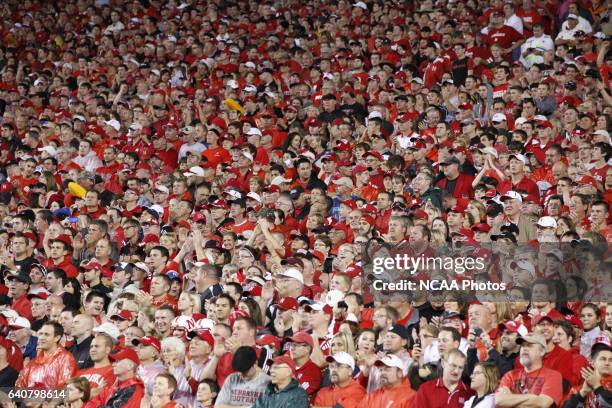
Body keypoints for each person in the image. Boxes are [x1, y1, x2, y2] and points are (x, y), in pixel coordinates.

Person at [495, 333, 563, 407]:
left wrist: (510, 398)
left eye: (529, 345)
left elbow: (542, 403)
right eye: (523, 346)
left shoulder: (553, 376)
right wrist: (532, 398)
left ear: (542, 351)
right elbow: (499, 400)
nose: (524, 348)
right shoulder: (510, 375)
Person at [16, 322, 77, 389]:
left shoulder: (66, 358)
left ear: (56, 338)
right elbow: (20, 386)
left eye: (46, 334)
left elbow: (65, 388)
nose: (41, 337)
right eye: (40, 334)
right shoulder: (32, 363)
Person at [563, 335, 612, 408]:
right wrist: (582, 393)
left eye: (611, 360)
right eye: (603, 359)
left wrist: (597, 386)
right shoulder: (579, 389)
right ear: (592, 362)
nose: (607, 363)